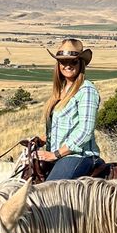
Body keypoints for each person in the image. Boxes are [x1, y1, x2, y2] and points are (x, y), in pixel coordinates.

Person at [34, 38, 101, 180]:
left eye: (73, 61)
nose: (68, 65)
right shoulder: (61, 91)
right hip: (60, 156)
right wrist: (43, 139)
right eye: (63, 62)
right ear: (58, 65)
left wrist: (55, 154)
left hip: (79, 156)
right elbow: (63, 128)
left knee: (50, 189)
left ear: (81, 63)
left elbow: (85, 131)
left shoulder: (86, 90)